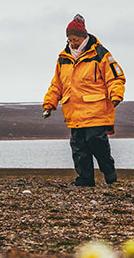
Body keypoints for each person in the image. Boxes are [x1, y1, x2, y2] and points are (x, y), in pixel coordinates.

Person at [42, 14, 126, 187]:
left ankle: (109, 172)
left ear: (84, 37)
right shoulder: (63, 58)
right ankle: (85, 179)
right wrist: (49, 104)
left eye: (75, 39)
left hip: (96, 109)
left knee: (96, 142)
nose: (72, 42)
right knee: (78, 147)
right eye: (69, 39)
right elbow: (56, 84)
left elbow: (115, 77)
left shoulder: (101, 54)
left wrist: (116, 95)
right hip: (73, 112)